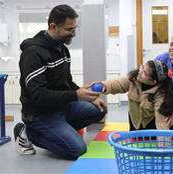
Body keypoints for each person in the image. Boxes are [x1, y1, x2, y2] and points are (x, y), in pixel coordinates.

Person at [13, 4, 107, 160]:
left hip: (61, 108)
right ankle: (29, 133)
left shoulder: (62, 48)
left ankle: (59, 132)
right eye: (69, 30)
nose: (74, 34)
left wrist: (87, 95)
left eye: (75, 28)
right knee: (77, 149)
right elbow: (39, 96)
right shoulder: (33, 53)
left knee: (99, 110)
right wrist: (76, 95)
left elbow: (67, 81)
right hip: (40, 114)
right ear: (53, 26)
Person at [99, 60, 173, 130]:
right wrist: (103, 86)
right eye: (142, 67)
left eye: (145, 73)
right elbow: (117, 84)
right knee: (134, 141)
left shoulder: (160, 94)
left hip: (150, 126)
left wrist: (163, 143)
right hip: (134, 121)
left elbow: (161, 122)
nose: (140, 72)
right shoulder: (133, 79)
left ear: (153, 82)